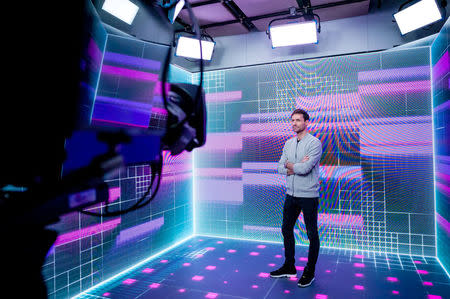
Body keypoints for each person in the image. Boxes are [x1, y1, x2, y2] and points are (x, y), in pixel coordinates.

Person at [270, 108, 323, 288]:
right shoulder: (288, 143)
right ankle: (289, 266)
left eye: (298, 120)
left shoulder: (314, 143)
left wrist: (293, 166)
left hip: (308, 196)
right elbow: (279, 167)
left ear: (306, 122)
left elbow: (306, 168)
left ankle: (310, 272)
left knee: (311, 234)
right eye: (292, 120)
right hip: (290, 195)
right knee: (286, 229)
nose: (294, 123)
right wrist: (295, 166)